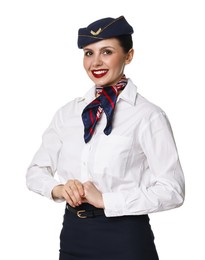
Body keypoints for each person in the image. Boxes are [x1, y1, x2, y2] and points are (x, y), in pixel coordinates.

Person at [26, 15, 185, 260]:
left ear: (129, 56)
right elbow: (36, 170)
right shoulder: (68, 113)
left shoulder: (148, 116)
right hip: (73, 236)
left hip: (125, 239)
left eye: (107, 52)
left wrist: (106, 200)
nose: (95, 62)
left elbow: (172, 190)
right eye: (89, 53)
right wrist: (59, 189)